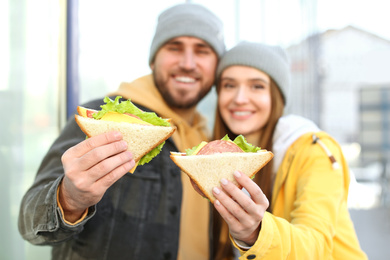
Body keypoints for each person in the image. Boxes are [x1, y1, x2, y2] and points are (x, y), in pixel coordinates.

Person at [18, 3, 228, 260]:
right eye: (174, 48)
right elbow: (29, 221)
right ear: (153, 59)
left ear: (217, 66)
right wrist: (70, 199)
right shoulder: (103, 118)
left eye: (202, 51)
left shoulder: (209, 140)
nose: (187, 63)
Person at [210, 41, 368, 259]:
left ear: (276, 97)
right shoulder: (217, 159)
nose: (239, 98)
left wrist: (257, 234)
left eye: (257, 86)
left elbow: (316, 245)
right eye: (229, 85)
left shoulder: (315, 152)